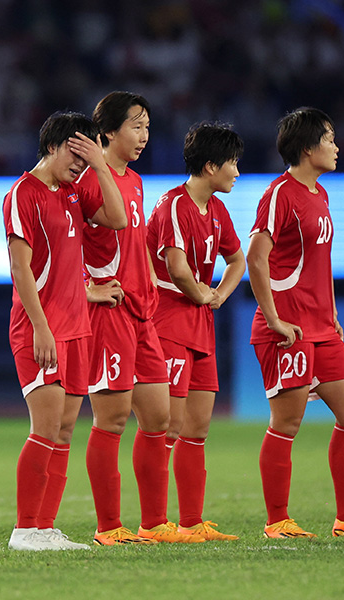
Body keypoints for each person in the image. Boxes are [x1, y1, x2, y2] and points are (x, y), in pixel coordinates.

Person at [247, 106, 344, 538]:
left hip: (320, 327)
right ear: (308, 147)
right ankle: (277, 521)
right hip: (287, 328)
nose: (336, 147)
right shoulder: (280, 193)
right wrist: (274, 318)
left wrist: (331, 311)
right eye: (330, 139)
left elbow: (318, 260)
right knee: (287, 424)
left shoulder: (321, 194)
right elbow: (257, 261)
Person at [78, 91, 201, 545]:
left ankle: (153, 524)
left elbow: (137, 248)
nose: (144, 135)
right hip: (109, 314)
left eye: (147, 126)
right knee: (109, 421)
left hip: (144, 315)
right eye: (135, 125)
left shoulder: (134, 180)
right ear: (107, 131)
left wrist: (150, 283)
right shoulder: (89, 181)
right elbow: (63, 245)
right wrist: (86, 290)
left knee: (160, 419)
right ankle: (108, 527)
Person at [4, 111, 128, 551]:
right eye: (75, 156)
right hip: (41, 330)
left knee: (65, 431)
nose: (79, 165)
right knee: (45, 427)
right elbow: (20, 269)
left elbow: (117, 220)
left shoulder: (73, 192)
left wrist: (99, 165)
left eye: (85, 158)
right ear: (53, 146)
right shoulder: (23, 193)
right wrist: (41, 328)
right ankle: (25, 529)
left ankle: (45, 527)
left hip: (77, 329)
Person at [146, 122, 246, 540]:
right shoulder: (173, 205)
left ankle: (191, 522)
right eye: (232, 163)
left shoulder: (217, 210)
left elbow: (237, 260)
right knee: (168, 425)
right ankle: (154, 522)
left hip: (200, 326)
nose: (237, 171)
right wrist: (202, 294)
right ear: (210, 166)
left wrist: (219, 293)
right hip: (168, 322)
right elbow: (176, 266)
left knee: (197, 429)